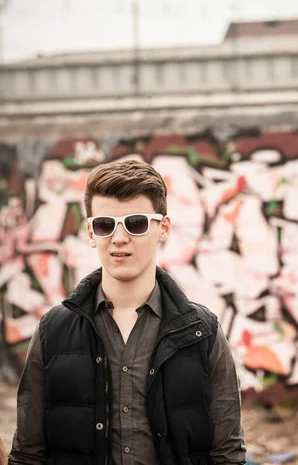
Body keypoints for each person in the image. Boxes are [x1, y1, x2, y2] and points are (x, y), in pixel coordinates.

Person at [9, 159, 246, 464]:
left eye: (136, 223)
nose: (119, 238)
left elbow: (228, 454)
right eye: (105, 224)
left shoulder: (203, 331)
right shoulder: (52, 331)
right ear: (91, 233)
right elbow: (28, 453)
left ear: (163, 228)